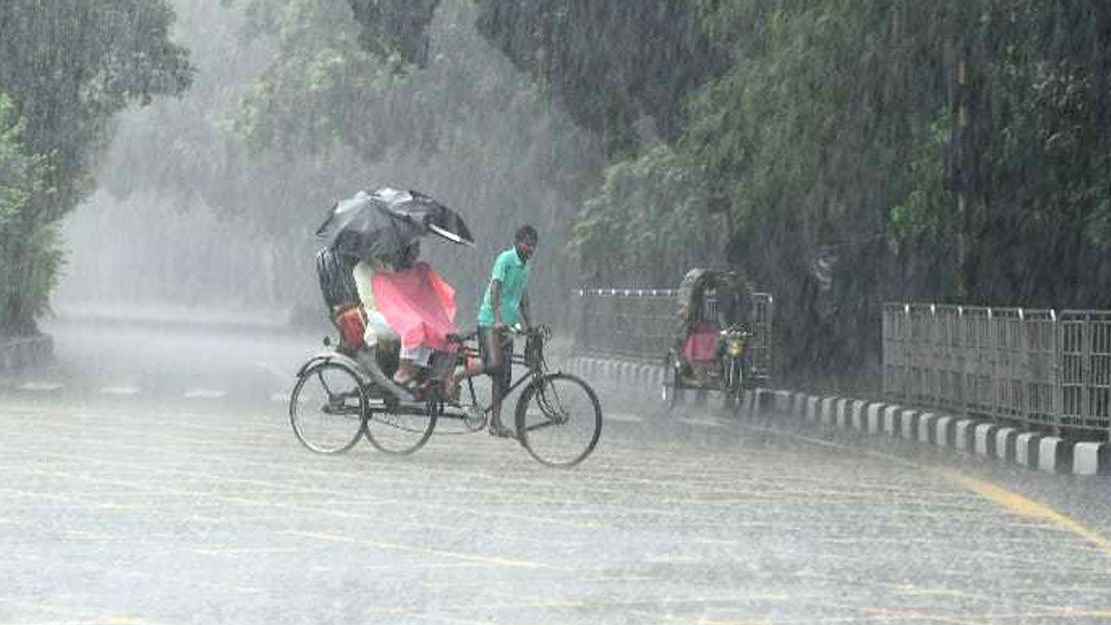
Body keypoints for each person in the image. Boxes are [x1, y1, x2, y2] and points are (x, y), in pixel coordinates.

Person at [450, 225, 538, 437]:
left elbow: (523, 298)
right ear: (517, 242)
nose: (530, 249)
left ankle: (495, 423)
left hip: (509, 326)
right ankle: (458, 376)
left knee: (503, 377)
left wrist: (530, 327)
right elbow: (495, 288)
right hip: (490, 321)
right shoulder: (505, 259)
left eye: (533, 245)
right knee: (495, 365)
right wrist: (498, 319)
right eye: (527, 244)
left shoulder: (526, 267)